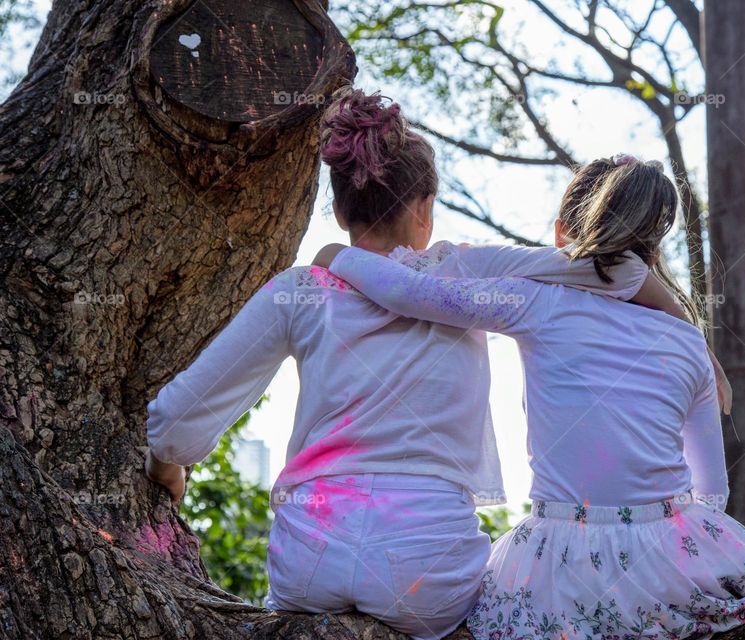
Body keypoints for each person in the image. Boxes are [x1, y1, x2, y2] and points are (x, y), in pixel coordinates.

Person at [143, 88, 656, 640]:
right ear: (425, 207)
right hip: (426, 566)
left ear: (339, 211)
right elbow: (620, 272)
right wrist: (693, 333)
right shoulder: (470, 269)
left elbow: (173, 422)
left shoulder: (299, 291)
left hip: (310, 557)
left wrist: (168, 468)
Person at [314, 156, 745, 639]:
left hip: (561, 563)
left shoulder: (533, 301)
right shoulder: (688, 345)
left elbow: (411, 293)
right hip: (666, 563)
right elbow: (712, 494)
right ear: (655, 245)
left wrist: (336, 254)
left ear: (561, 235)